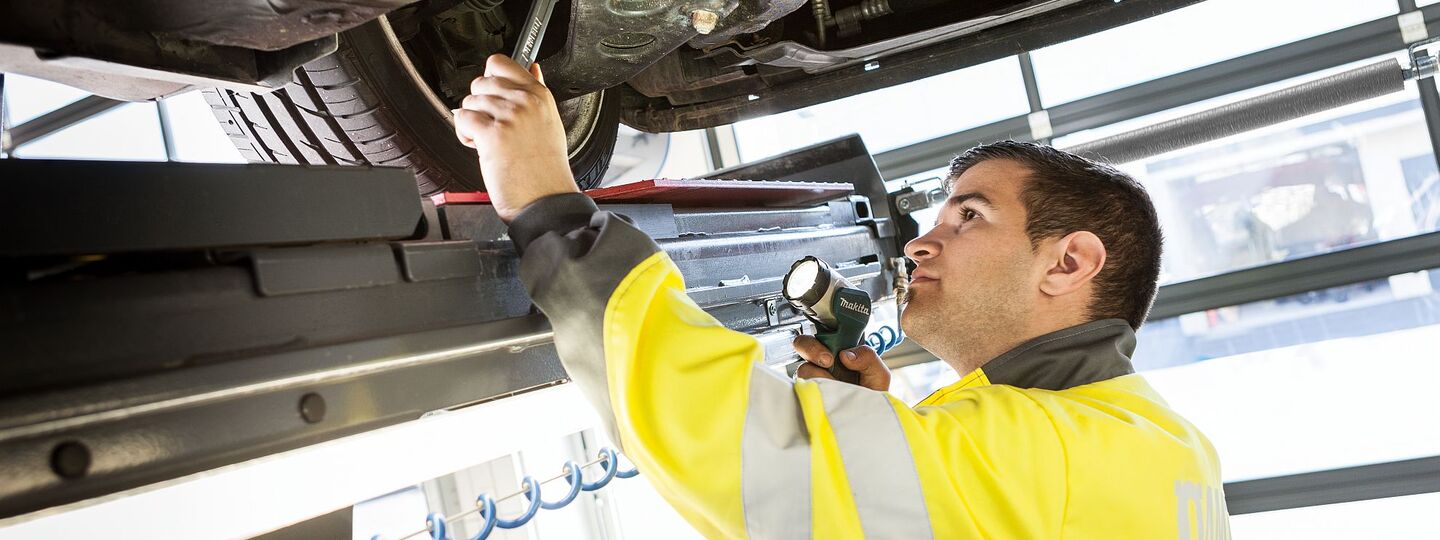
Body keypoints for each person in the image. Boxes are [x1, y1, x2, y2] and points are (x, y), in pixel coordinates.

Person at [453, 54, 1231, 539]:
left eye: (969, 215)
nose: (923, 243)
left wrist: (547, 204)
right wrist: (881, 439)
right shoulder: (1165, 449)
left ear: (1068, 264)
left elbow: (737, 451)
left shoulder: (1060, 453)